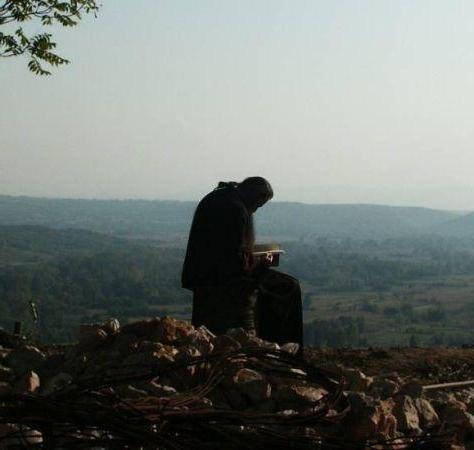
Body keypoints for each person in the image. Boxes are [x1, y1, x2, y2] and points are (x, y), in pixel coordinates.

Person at [182, 177, 303, 348]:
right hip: (220, 280)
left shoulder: (221, 198)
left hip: (201, 274)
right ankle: (278, 345)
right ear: (254, 198)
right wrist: (262, 262)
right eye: (258, 205)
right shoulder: (235, 210)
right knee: (287, 287)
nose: (255, 210)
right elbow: (233, 261)